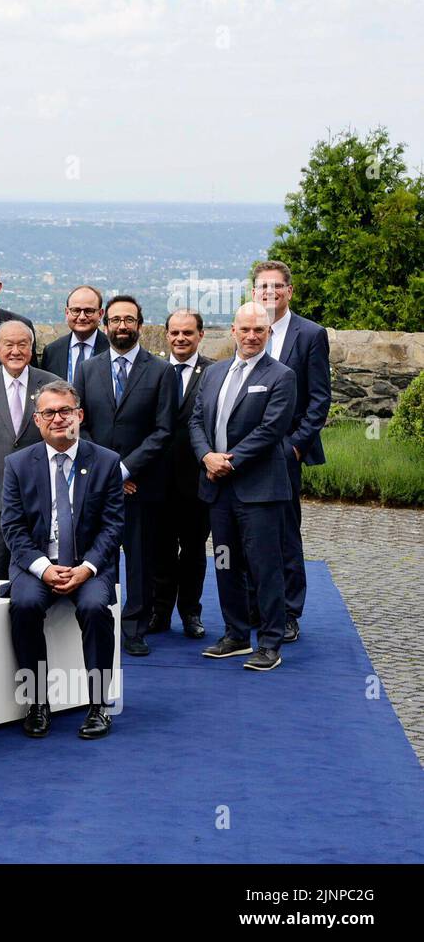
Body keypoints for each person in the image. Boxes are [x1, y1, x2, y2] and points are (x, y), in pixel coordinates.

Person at [0, 381, 125, 740]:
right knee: (23, 605)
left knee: (96, 608)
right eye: (49, 413)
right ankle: (37, 702)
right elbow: (12, 526)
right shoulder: (18, 464)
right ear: (37, 420)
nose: (58, 419)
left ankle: (99, 705)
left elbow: (113, 525)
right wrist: (43, 567)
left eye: (65, 411)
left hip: (89, 564)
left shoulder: (106, 461)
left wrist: (86, 569)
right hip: (38, 564)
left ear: (79, 415)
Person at [191, 302, 297, 671]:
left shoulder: (282, 376)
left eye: (260, 330)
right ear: (233, 331)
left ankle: (269, 642)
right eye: (245, 329)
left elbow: (271, 430)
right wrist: (206, 456)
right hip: (218, 491)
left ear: (268, 333)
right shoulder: (214, 373)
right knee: (226, 563)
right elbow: (195, 422)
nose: (252, 336)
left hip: (259, 492)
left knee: (264, 568)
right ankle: (235, 635)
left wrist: (226, 461)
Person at [74, 295, 176, 656]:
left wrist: (125, 469)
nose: (121, 326)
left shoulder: (161, 372)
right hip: (95, 485)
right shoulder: (87, 370)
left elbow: (164, 430)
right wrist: (106, 471)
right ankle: (101, 620)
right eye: (115, 319)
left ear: (140, 325)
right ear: (105, 324)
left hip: (141, 485)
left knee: (139, 558)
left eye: (129, 320)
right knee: (99, 554)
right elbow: (78, 425)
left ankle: (134, 627)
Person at [252, 260, 331, 643]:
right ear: (253, 293)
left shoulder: (310, 335)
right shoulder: (247, 331)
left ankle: (288, 612)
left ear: (289, 291)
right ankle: (258, 604)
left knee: (285, 531)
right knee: (251, 531)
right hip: (248, 451)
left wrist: (297, 446)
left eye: (276, 287)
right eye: (262, 287)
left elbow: (319, 398)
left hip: (285, 452)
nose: (269, 293)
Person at [0, 320, 61, 578]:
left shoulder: (51, 384)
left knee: (37, 562)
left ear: (32, 348)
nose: (15, 351)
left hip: (39, 487)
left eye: (22, 344)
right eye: (9, 344)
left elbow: (61, 437)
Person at [150, 308, 214, 638]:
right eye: (174, 332)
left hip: (196, 481)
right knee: (160, 551)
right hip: (158, 482)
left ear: (200, 335)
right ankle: (159, 613)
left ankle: (191, 613)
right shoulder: (155, 371)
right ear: (166, 335)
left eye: (188, 333)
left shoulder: (215, 373)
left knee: (192, 553)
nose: (180, 338)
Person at [41, 285, 110, 383]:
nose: (82, 317)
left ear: (100, 314)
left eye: (89, 311)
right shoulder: (52, 351)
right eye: (76, 311)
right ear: (67, 313)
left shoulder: (112, 349)